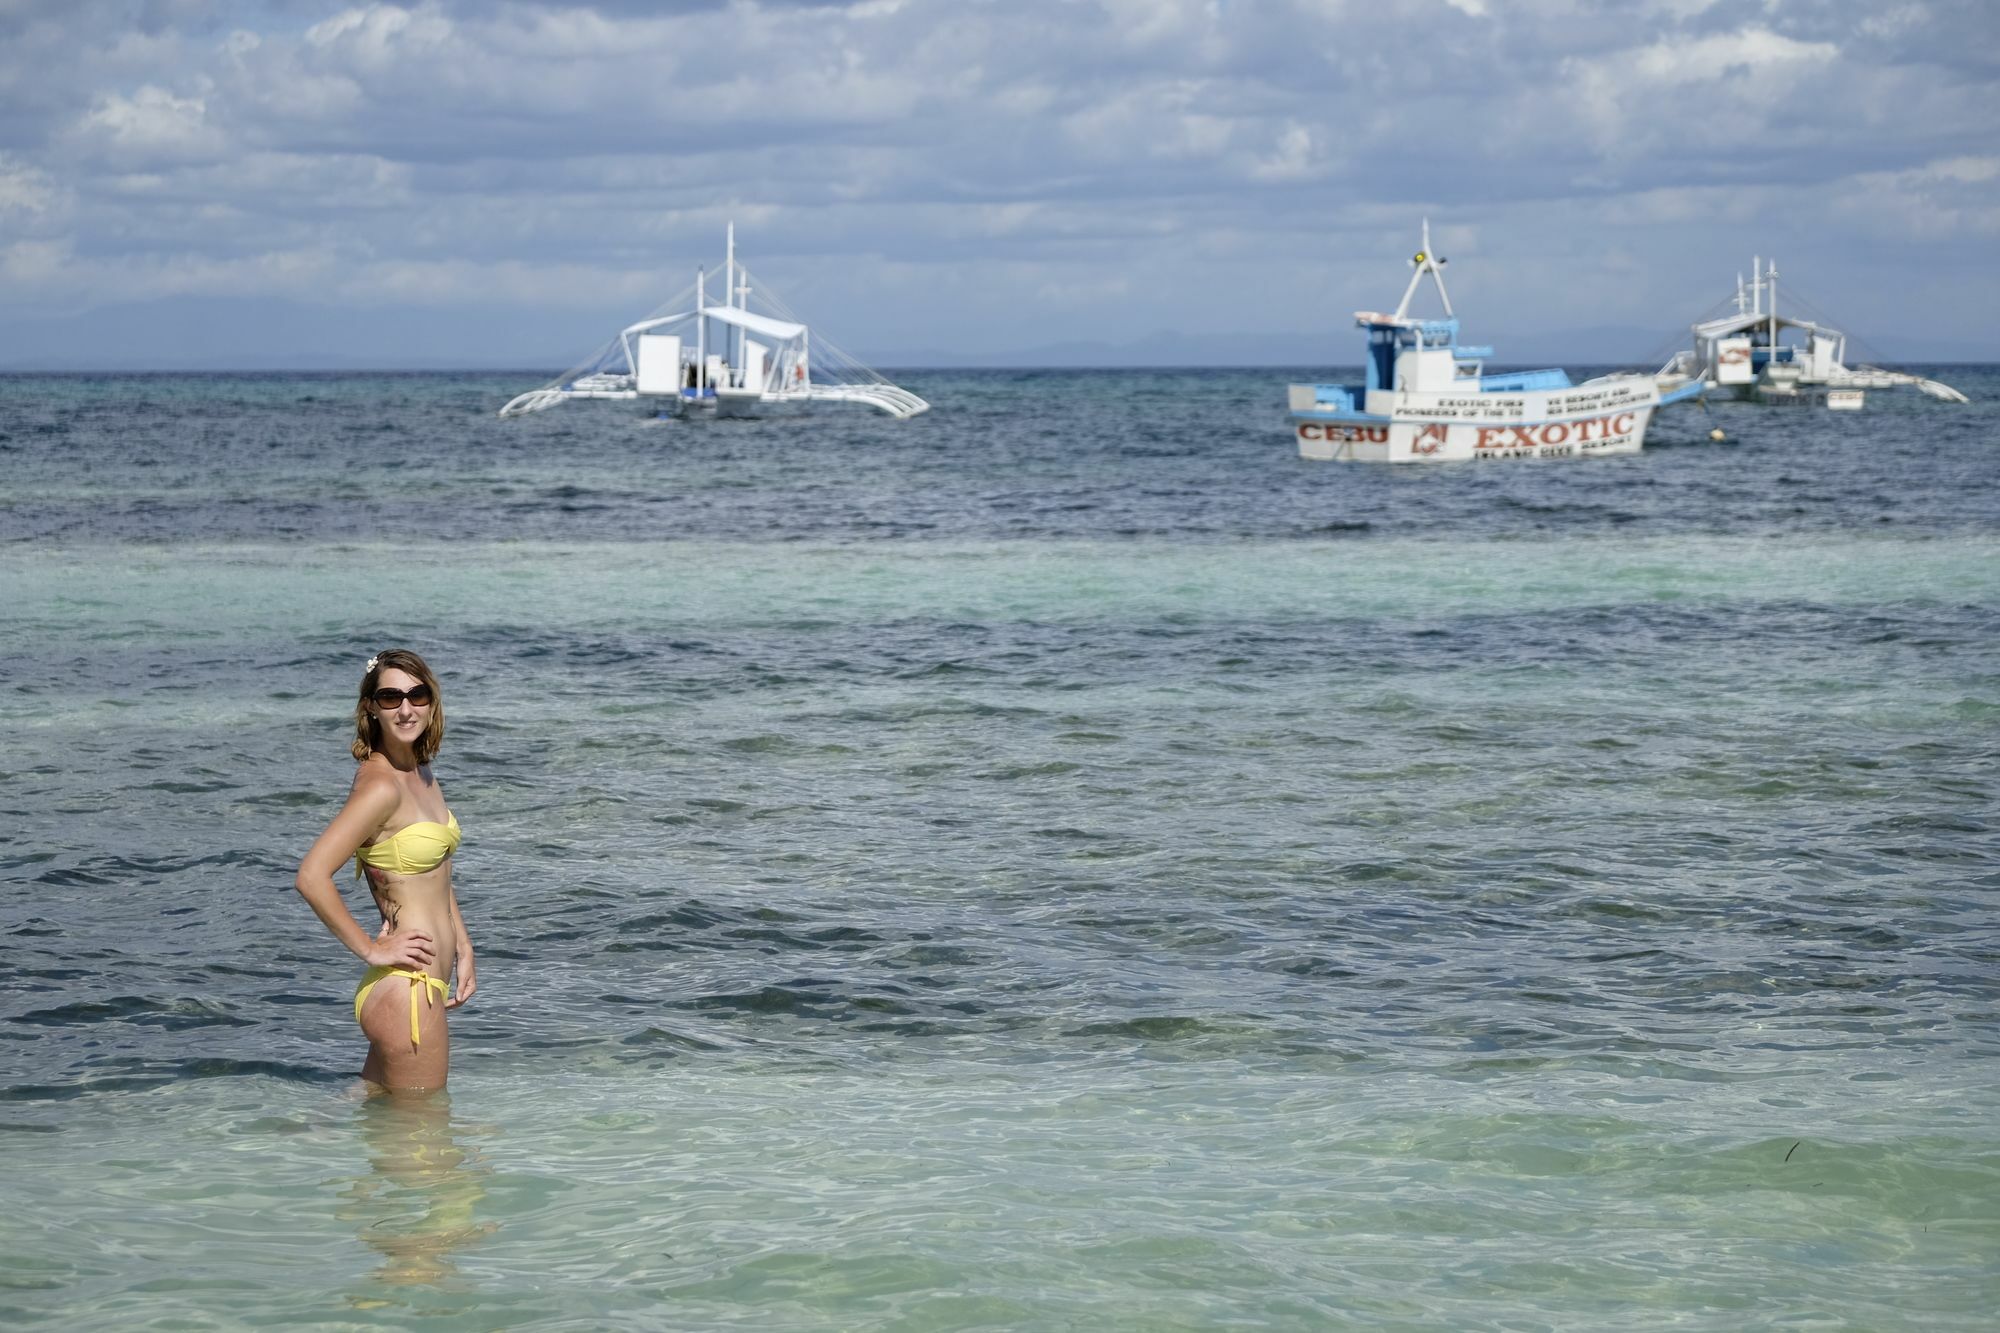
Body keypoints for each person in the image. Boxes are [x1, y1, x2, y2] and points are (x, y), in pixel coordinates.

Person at [297, 650, 475, 1091]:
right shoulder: (379, 786)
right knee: (425, 1145)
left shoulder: (420, 771)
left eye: (417, 694)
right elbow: (311, 876)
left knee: (373, 1118)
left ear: (432, 701)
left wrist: (464, 945)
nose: (406, 708)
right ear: (370, 708)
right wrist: (370, 950)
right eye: (391, 697)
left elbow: (433, 867)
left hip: (416, 985)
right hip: (409, 991)